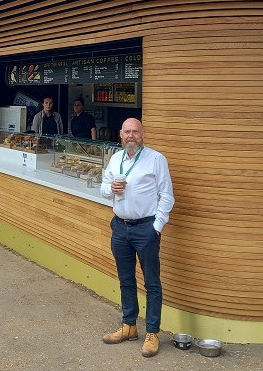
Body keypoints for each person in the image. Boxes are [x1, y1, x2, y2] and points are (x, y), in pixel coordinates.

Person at [100, 117, 175, 358]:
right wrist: (110, 189)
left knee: (152, 283)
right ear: (121, 134)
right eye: (127, 132)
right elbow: (102, 188)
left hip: (146, 229)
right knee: (125, 280)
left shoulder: (156, 159)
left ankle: (152, 332)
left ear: (142, 134)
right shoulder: (115, 158)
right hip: (120, 227)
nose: (131, 135)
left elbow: (167, 196)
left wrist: (157, 227)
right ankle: (129, 325)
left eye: (135, 131)